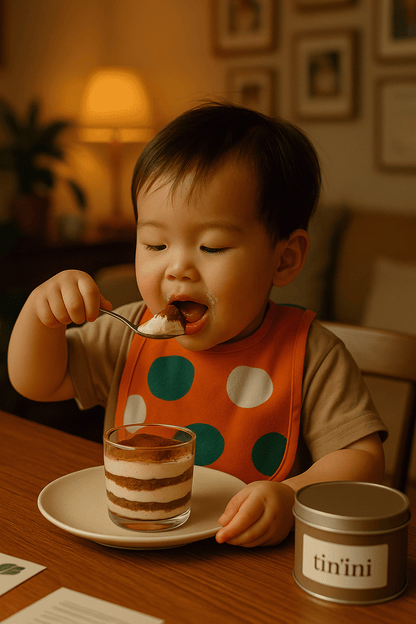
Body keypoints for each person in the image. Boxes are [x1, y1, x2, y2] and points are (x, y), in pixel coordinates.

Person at [8, 102, 387, 548]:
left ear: (284, 259)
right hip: (136, 540)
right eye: (155, 243)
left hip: (252, 562)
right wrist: (40, 314)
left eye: (212, 247)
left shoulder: (311, 354)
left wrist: (291, 496)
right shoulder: (131, 331)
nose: (177, 268)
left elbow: (361, 458)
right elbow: (36, 382)